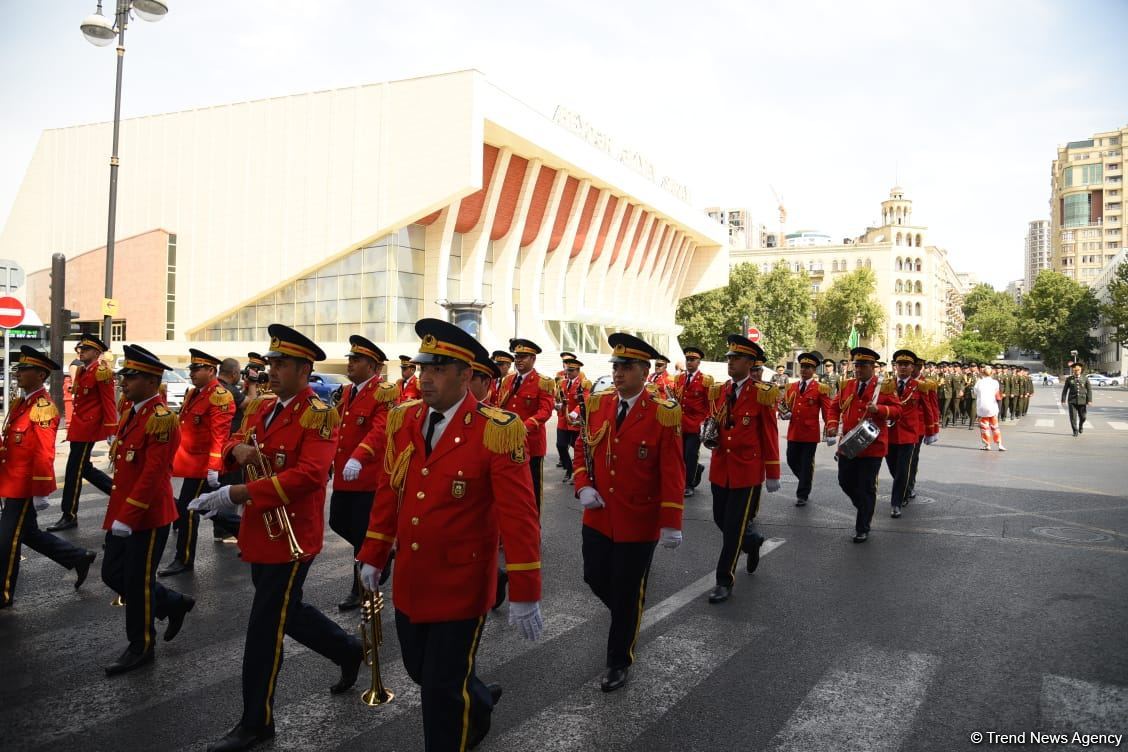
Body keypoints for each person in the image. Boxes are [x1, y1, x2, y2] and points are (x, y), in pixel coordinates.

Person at [357, 318, 543, 751]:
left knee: (438, 692)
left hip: (462, 585)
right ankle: (476, 700)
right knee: (422, 671)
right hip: (412, 580)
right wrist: (373, 552)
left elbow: (519, 516)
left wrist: (526, 589)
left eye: (438, 370)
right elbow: (390, 490)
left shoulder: (496, 430)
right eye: (423, 369)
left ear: (465, 375)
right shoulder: (403, 419)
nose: (425, 379)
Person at [190, 325, 362, 752]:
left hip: (291, 539)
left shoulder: (319, 413)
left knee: (264, 627)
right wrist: (236, 453)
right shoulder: (260, 406)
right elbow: (233, 439)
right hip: (260, 530)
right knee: (290, 612)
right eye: (270, 362)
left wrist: (241, 492)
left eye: (281, 363)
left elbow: (309, 476)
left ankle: (256, 721)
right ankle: (347, 650)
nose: (272, 370)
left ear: (305, 369)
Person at [574, 332, 683, 690]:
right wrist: (583, 485)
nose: (618, 373)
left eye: (627, 367)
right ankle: (627, 612)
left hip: (639, 520)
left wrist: (671, 522)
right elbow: (582, 448)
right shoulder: (598, 404)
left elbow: (672, 469)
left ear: (645, 371)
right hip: (599, 515)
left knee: (627, 588)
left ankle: (618, 660)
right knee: (595, 577)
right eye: (616, 366)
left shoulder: (662, 413)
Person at [100, 345, 195, 675]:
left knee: (137, 581)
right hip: (124, 511)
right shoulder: (133, 412)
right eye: (125, 374)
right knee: (111, 573)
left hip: (148, 515)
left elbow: (154, 475)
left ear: (153, 381)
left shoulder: (162, 419)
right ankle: (171, 602)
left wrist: (129, 515)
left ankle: (141, 645)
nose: (124, 380)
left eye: (132, 375)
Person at [0, 347, 98, 609]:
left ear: (40, 374)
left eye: (24, 369)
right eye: (18, 369)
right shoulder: (23, 402)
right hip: (12, 480)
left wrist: (41, 490)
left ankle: (3, 593)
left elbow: (44, 453)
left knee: (5, 539)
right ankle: (78, 557)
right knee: (28, 533)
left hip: (24, 485)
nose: (18, 373)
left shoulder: (43, 407)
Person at [705, 335, 781, 602]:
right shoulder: (720, 390)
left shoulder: (762, 393)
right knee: (720, 519)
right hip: (720, 467)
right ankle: (753, 541)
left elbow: (770, 435)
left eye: (736, 358)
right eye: (729, 358)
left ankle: (724, 580)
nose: (731, 362)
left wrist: (772, 472)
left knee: (733, 526)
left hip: (746, 471)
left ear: (750, 363)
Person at [332, 335, 398, 611]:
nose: (350, 364)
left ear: (372, 366)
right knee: (338, 522)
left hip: (367, 474)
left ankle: (360, 590)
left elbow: (380, 430)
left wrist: (359, 457)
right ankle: (383, 553)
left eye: (356, 360)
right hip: (344, 474)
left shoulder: (384, 392)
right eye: (350, 359)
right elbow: (339, 428)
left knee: (361, 532)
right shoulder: (347, 392)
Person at [160, 349, 236, 577]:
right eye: (192, 369)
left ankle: (183, 559)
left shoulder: (219, 396)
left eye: (197, 369)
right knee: (202, 507)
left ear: (211, 371)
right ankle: (241, 528)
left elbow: (219, 435)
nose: (192, 373)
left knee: (187, 509)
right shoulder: (195, 393)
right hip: (191, 461)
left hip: (204, 465)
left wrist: (214, 466)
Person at [47, 335, 117, 531]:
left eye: (86, 349)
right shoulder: (84, 371)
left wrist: (111, 431)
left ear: (96, 352)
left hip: (89, 429)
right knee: (84, 469)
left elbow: (108, 402)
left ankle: (69, 515)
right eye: (80, 348)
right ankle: (121, 495)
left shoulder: (101, 372)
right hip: (80, 428)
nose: (81, 351)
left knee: (73, 471)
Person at [834, 347, 902, 542]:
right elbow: (834, 406)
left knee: (866, 486)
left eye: (863, 366)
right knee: (844, 481)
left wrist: (879, 409)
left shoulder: (885, 386)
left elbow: (897, 411)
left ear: (873, 367)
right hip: (849, 444)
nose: (858, 369)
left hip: (872, 446)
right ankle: (864, 507)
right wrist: (831, 425)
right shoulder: (847, 385)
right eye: (856, 365)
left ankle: (862, 526)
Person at [497, 338, 555, 511]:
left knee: (532, 489)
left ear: (533, 359)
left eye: (524, 356)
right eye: (517, 356)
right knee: (509, 485)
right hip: (508, 443)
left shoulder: (543, 382)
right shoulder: (508, 380)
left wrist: (524, 426)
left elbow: (545, 411)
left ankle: (533, 528)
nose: (519, 360)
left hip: (531, 443)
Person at [884, 351, 938, 518]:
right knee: (892, 466)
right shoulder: (887, 385)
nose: (902, 368)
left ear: (912, 367)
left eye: (906, 365)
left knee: (903, 468)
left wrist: (931, 431)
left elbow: (929, 409)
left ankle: (896, 502)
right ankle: (905, 489)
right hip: (889, 432)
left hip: (909, 433)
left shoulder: (919, 386)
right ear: (896, 367)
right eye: (899, 364)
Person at [781, 351, 838, 507]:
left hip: (810, 432)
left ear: (814, 370)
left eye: (808, 367)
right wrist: (784, 413)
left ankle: (802, 494)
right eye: (803, 367)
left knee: (806, 464)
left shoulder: (821, 388)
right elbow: (784, 405)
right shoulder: (791, 387)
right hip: (794, 431)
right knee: (791, 460)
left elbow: (828, 411)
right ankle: (805, 480)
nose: (805, 370)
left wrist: (830, 431)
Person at [672, 346, 713, 497]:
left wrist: (705, 423)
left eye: (692, 360)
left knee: (690, 454)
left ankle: (688, 484)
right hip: (680, 424)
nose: (689, 362)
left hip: (696, 425)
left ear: (699, 362)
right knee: (680, 455)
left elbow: (710, 404)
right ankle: (695, 471)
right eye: (687, 359)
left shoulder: (705, 380)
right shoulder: (680, 378)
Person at [906, 357, 940, 501]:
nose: (909, 369)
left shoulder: (926, 384)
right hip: (899, 427)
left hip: (917, 428)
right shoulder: (899, 381)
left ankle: (909, 485)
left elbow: (932, 407)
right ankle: (903, 483)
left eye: (912, 367)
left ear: (918, 368)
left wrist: (932, 429)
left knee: (912, 459)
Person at [555, 357, 589, 483]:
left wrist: (574, 413)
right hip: (563, 420)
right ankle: (569, 468)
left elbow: (584, 400)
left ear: (578, 371)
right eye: (567, 371)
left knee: (578, 448)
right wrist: (557, 405)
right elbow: (558, 398)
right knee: (561, 445)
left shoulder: (584, 383)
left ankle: (580, 472)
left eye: (571, 371)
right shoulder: (563, 383)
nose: (568, 373)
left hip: (576, 421)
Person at [972, 365, 1005, 451]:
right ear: (991, 373)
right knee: (995, 426)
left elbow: (975, 392)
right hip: (992, 406)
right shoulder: (995, 382)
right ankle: (999, 444)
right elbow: (996, 393)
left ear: (982, 373)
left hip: (982, 407)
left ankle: (987, 445)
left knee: (984, 427)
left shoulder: (979, 382)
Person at [1061, 362, 1093, 436]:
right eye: (1075, 370)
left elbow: (1089, 390)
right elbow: (1065, 390)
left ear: (1080, 370)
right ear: (1073, 371)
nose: (1077, 371)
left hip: (1082, 400)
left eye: (1078, 370)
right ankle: (1075, 431)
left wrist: (1089, 400)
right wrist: (1063, 400)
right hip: (1072, 401)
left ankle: (1081, 425)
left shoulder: (1085, 378)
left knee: (1083, 417)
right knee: (1073, 417)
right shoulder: (1069, 379)